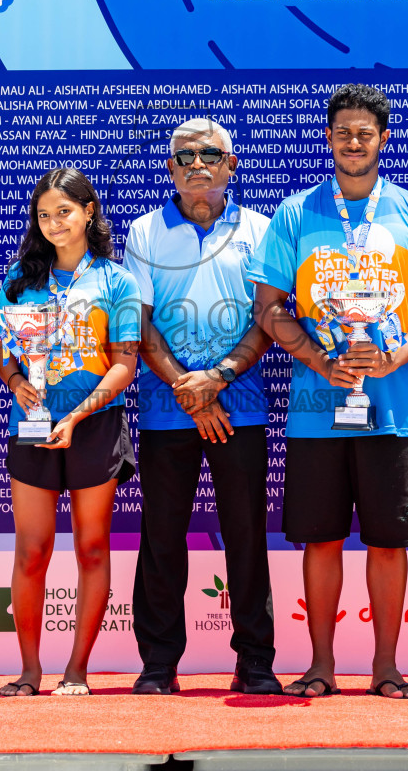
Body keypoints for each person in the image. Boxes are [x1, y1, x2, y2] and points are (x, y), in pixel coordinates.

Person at [249, 83, 408, 700]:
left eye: (365, 132)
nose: (353, 142)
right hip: (317, 411)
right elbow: (268, 308)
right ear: (329, 138)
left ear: (383, 139)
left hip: (394, 415)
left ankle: (386, 667)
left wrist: (396, 355)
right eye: (343, 132)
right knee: (322, 539)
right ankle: (320, 665)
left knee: (390, 544)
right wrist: (317, 357)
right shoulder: (295, 215)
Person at [123, 118, 278, 696]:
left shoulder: (263, 230)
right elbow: (136, 323)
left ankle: (256, 662)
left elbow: (270, 319)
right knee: (162, 538)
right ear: (169, 169)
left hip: (241, 405)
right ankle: (159, 663)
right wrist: (190, 391)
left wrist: (217, 377)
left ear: (231, 166)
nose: (196, 162)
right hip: (168, 410)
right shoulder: (143, 233)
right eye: (183, 155)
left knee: (246, 536)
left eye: (210, 153)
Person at [0, 167, 142, 697]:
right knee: (31, 551)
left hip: (95, 424)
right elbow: (4, 356)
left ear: (88, 212)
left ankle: (77, 669)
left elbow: (125, 363)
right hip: (30, 426)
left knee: (92, 548)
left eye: (64, 212)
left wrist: (76, 415)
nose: (54, 223)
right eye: (44, 214)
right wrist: (15, 382)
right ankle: (30, 670)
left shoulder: (117, 280)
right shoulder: (19, 279)